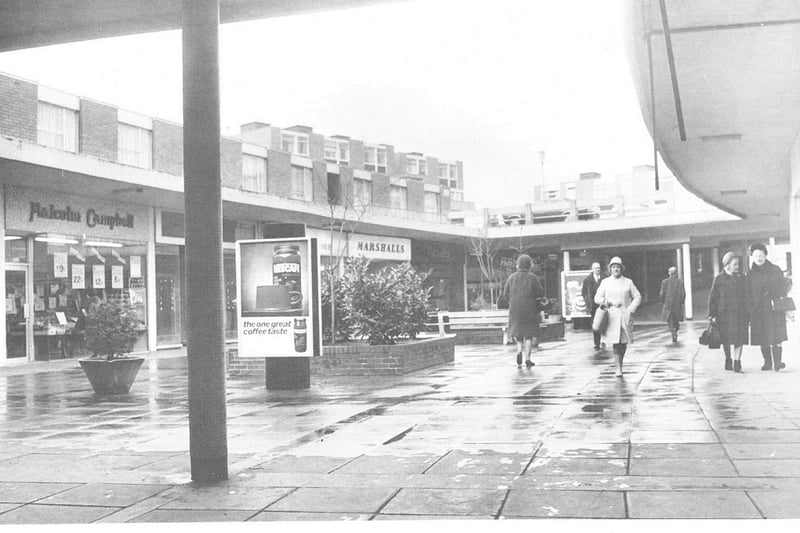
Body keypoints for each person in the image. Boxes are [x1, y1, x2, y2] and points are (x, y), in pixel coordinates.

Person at [595, 256, 642, 377]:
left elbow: (638, 297)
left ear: (622, 269)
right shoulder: (605, 282)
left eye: (618, 267)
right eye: (613, 267)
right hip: (611, 317)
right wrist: (608, 301)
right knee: (616, 343)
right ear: (610, 269)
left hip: (625, 316)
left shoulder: (628, 282)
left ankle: (620, 363)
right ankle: (618, 368)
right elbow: (597, 298)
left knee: (623, 342)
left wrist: (630, 310)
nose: (616, 269)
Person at [746, 243, 789, 371]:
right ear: (752, 257)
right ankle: (767, 362)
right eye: (756, 256)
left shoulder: (775, 270)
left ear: (765, 255)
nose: (758, 258)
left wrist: (775, 296)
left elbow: (783, 287)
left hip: (774, 308)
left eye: (761, 255)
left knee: (777, 335)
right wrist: (751, 308)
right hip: (758, 309)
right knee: (762, 335)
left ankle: (778, 362)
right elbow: (747, 293)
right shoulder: (750, 274)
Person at [708, 252, 749, 372]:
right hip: (724, 315)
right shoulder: (719, 279)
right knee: (726, 339)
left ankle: (737, 362)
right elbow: (713, 298)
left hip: (740, 314)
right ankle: (728, 359)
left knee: (739, 338)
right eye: (735, 264)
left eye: (738, 264)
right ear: (727, 265)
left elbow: (747, 296)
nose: (737, 267)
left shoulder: (742, 278)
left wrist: (748, 312)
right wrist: (712, 314)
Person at [503, 254, 545, 368]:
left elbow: (505, 294)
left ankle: (518, 352)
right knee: (529, 335)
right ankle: (528, 358)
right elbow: (540, 293)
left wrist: (512, 302)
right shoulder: (533, 277)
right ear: (529, 264)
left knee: (519, 334)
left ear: (518, 265)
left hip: (515, 310)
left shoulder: (512, 277)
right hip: (530, 309)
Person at [581, 262, 608, 350]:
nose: (598, 269)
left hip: (603, 304)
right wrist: (588, 303)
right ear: (592, 269)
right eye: (596, 268)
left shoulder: (605, 278)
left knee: (604, 322)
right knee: (595, 324)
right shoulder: (588, 280)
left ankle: (603, 340)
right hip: (593, 306)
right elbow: (584, 293)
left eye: (599, 268)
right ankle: (596, 342)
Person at [660, 266, 686, 343]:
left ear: (669, 273)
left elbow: (662, 294)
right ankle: (676, 329)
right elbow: (683, 294)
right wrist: (681, 302)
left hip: (668, 304)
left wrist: (663, 301)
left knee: (669, 320)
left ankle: (673, 333)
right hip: (677, 304)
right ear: (676, 273)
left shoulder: (664, 282)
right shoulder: (680, 281)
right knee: (676, 319)